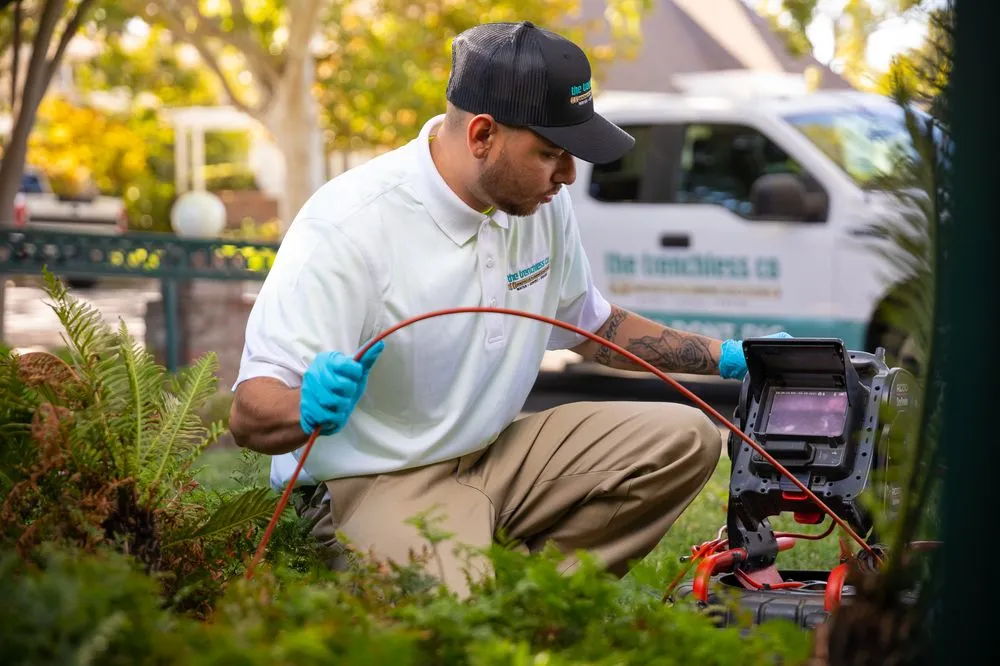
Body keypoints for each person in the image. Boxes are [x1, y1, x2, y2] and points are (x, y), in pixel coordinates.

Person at [229, 20, 790, 597]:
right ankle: (481, 590)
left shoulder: (536, 204)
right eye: (550, 154)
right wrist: (304, 407)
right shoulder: (349, 226)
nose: (568, 177)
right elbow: (250, 415)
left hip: (493, 456)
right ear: (481, 135)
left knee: (685, 438)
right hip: (373, 479)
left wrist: (731, 356)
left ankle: (532, 598)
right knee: (455, 619)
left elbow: (593, 328)